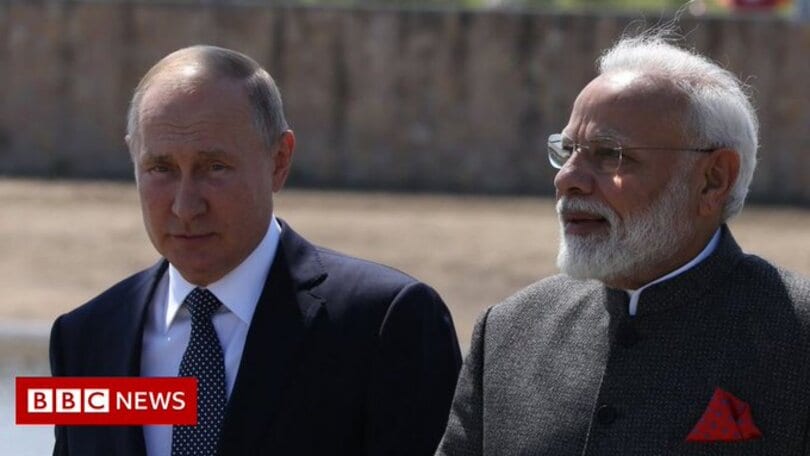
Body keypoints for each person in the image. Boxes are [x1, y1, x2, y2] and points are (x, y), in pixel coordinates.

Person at [49, 45, 462, 456]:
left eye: (215, 168)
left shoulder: (386, 323)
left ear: (279, 161)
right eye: (161, 169)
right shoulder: (84, 338)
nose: (185, 206)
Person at [437, 31, 810, 455]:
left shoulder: (797, 335)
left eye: (609, 154)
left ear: (713, 179)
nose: (567, 179)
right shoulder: (510, 331)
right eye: (567, 151)